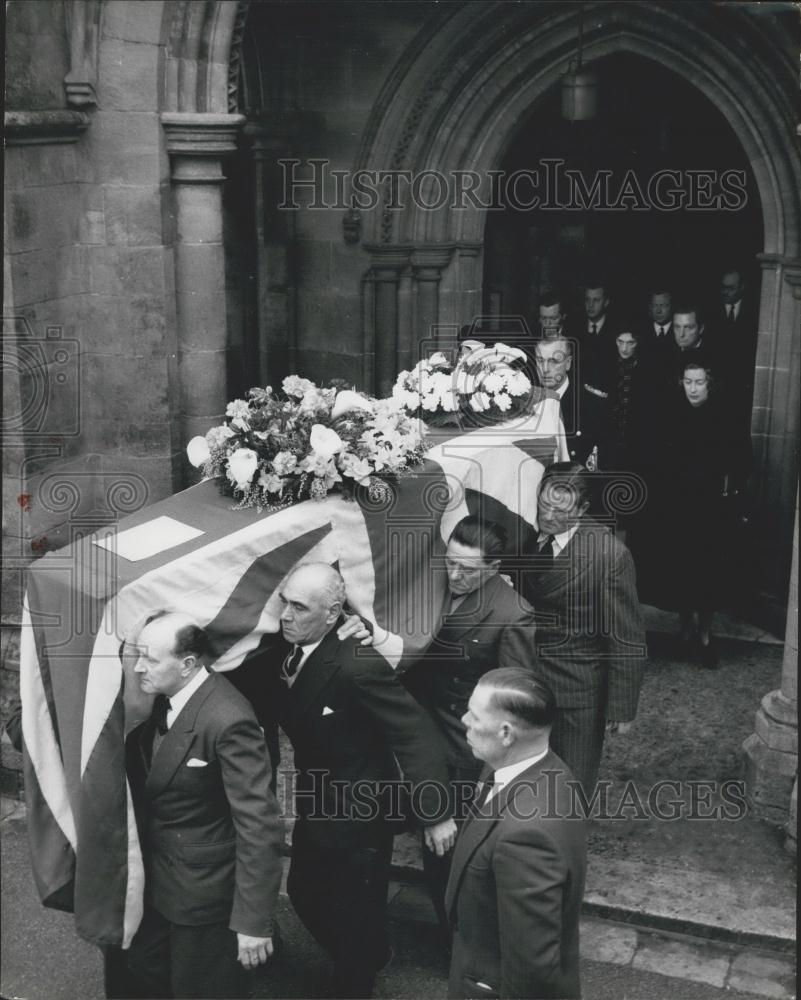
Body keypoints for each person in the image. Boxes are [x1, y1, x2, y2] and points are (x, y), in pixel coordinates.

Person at [244, 562, 455, 998]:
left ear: (332, 611)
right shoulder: (288, 648)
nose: (285, 615)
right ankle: (370, 953)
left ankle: (358, 974)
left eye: (299, 608)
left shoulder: (357, 664)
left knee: (356, 917)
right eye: (284, 602)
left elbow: (414, 733)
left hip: (363, 812)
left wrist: (435, 814)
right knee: (304, 890)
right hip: (319, 801)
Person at [120, 612, 284, 1000]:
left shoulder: (229, 720)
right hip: (158, 882)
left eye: (151, 659)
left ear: (188, 664)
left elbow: (259, 825)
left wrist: (252, 922)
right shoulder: (164, 697)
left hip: (203, 897)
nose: (139, 667)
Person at [402, 515, 538, 934]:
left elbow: (515, 707)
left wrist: (490, 778)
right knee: (434, 852)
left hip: (464, 756)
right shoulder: (431, 583)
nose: (455, 575)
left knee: (452, 859)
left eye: (468, 570)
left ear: (495, 570)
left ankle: (462, 948)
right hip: (418, 737)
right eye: (451, 563)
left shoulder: (512, 614)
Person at [445, 668, 586, 1000]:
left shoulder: (525, 835)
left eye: (474, 716)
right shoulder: (550, 773)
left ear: (506, 733)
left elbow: (531, 971)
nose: (464, 720)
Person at [521, 463, 646, 793]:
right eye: (544, 505)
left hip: (576, 692)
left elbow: (625, 636)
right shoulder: (525, 534)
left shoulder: (609, 555)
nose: (547, 516)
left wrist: (622, 707)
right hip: (528, 679)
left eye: (559, 511)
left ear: (584, 509)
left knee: (569, 789)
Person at [639, 361, 749, 667]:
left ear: (709, 384)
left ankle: (705, 635)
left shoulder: (725, 417)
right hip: (678, 507)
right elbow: (658, 459)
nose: (693, 388)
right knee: (682, 570)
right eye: (688, 382)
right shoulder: (671, 414)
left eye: (699, 382)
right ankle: (685, 629)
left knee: (708, 571)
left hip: (712, 508)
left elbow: (742, 459)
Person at [533, 336, 608, 467]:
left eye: (553, 361)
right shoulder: (527, 401)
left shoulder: (592, 405)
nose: (545, 369)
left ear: (568, 363)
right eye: (540, 361)